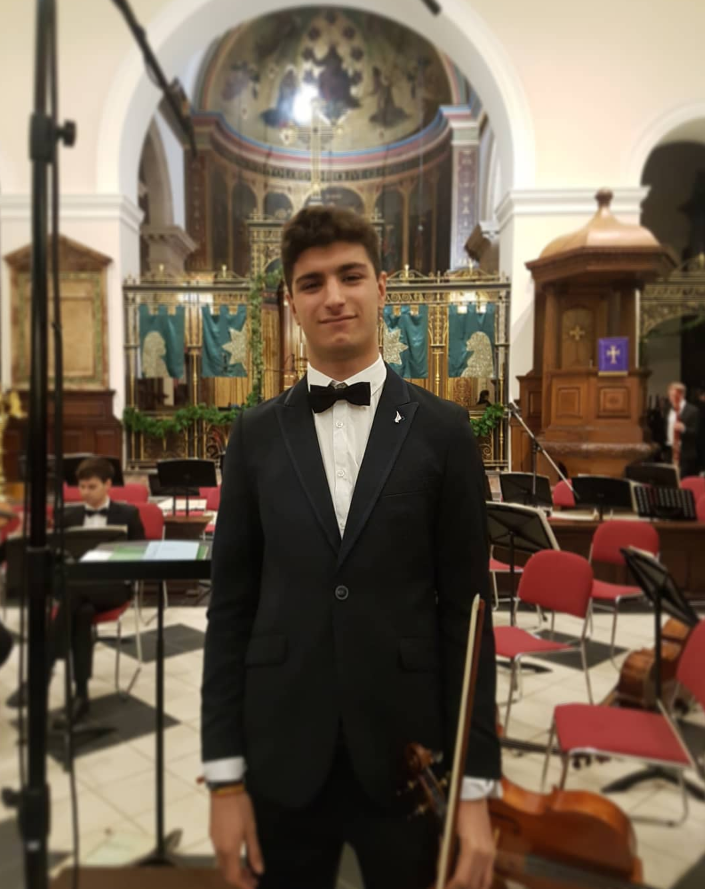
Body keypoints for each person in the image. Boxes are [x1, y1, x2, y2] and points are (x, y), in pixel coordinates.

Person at [202, 206, 500, 889]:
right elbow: (231, 611)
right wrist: (224, 780)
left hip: (407, 757)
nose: (332, 296)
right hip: (281, 751)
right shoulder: (252, 437)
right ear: (290, 303)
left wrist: (476, 786)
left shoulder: (444, 432)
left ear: (382, 287)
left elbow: (468, 617)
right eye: (311, 283)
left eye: (349, 275)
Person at [5, 456, 144, 723]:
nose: (85, 493)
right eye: (81, 487)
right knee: (81, 611)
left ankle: (39, 676)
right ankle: (80, 696)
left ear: (107, 485)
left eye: (92, 487)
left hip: (113, 588)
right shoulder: (66, 516)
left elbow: (141, 554)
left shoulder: (128, 515)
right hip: (76, 592)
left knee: (75, 595)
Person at [664, 382, 700, 478]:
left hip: (685, 454)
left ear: (682, 395)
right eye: (670, 395)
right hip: (670, 451)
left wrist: (684, 429)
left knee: (682, 483)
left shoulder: (693, 410)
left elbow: (696, 433)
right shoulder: (668, 408)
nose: (672, 398)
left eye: (674, 395)